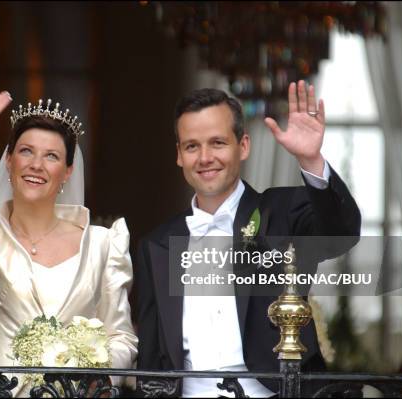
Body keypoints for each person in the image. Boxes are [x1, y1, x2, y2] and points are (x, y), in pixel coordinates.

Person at [134, 81, 361, 397]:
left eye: (217, 143)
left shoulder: (282, 213)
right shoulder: (155, 246)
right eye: (191, 146)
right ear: (179, 155)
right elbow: (151, 358)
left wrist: (311, 160)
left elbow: (341, 236)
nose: (204, 157)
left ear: (243, 146)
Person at [0, 91, 138, 397]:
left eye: (52, 156)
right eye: (26, 151)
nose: (37, 164)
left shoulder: (103, 244)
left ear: (68, 171)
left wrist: (90, 372)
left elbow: (121, 338)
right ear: (9, 161)